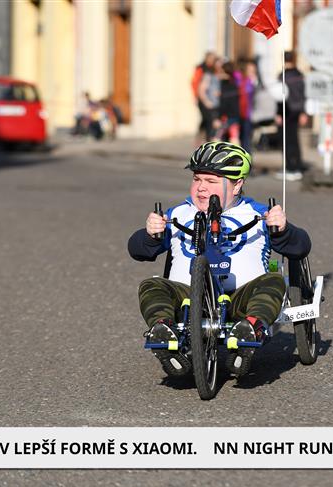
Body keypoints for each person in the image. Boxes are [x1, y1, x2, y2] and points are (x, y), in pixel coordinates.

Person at [128, 141, 312, 377]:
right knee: (151, 285)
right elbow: (138, 251)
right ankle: (163, 330)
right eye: (197, 179)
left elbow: (300, 247)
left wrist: (283, 230)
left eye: (211, 181)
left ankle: (250, 328)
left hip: (241, 298)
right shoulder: (177, 214)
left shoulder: (259, 213)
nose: (201, 188)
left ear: (237, 185)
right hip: (187, 297)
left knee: (274, 281)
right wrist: (150, 234)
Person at [275, 51, 308, 181]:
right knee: (294, 139)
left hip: (286, 111)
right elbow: (303, 95)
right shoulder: (299, 75)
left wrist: (278, 113)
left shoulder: (282, 75)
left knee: (285, 140)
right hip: (296, 111)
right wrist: (303, 112)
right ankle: (297, 166)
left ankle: (290, 167)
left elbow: (279, 96)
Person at [192, 52, 217, 144]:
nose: (212, 61)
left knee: (206, 119)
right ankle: (205, 139)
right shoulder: (201, 68)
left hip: (210, 98)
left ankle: (201, 138)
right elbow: (195, 83)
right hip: (202, 98)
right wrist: (195, 96)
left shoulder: (213, 69)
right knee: (207, 118)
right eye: (211, 58)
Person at [214, 60, 241, 144]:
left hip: (226, 116)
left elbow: (224, 102)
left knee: (217, 137)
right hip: (235, 114)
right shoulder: (236, 82)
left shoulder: (224, 84)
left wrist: (218, 117)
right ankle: (237, 152)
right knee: (234, 136)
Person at [197, 58, 221, 144]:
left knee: (215, 129)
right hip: (210, 106)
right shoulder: (208, 75)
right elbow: (201, 90)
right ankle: (206, 147)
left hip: (217, 106)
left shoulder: (219, 75)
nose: (220, 67)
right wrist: (207, 102)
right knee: (211, 129)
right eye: (218, 65)